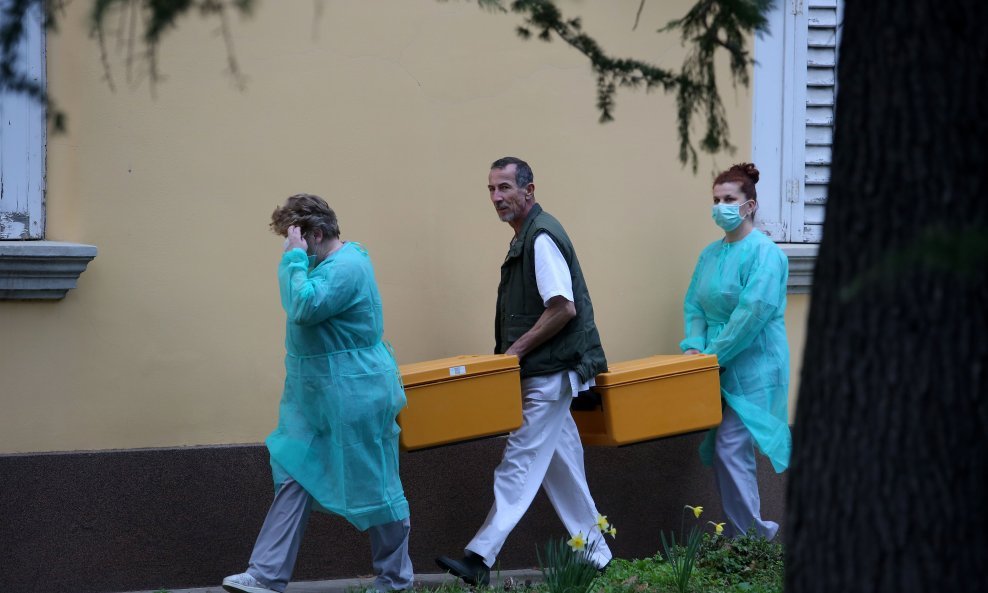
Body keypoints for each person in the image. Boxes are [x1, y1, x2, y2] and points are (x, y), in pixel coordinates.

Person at [435, 157, 612, 586]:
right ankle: (598, 555)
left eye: (505, 188)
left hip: (550, 375)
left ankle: (480, 558)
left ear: (529, 191)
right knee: (561, 468)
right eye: (491, 189)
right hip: (549, 372)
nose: (497, 197)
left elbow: (563, 308)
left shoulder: (541, 238)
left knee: (517, 463)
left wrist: (513, 353)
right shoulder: (527, 236)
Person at [222, 194, 413, 593]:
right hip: (315, 399)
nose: (291, 247)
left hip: (356, 394)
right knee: (294, 471)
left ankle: (395, 581)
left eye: (296, 238)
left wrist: (293, 259)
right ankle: (265, 574)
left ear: (318, 234)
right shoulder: (321, 265)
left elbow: (304, 307)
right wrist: (298, 258)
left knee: (377, 484)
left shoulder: (348, 266)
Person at [680, 163, 792, 540]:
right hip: (715, 364)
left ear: (750, 205)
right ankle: (744, 538)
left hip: (757, 365)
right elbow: (694, 306)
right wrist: (695, 347)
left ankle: (751, 538)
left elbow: (751, 315)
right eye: (716, 200)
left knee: (729, 445)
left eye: (729, 199)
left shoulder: (767, 255)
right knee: (728, 450)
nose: (720, 207)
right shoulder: (710, 255)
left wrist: (712, 355)